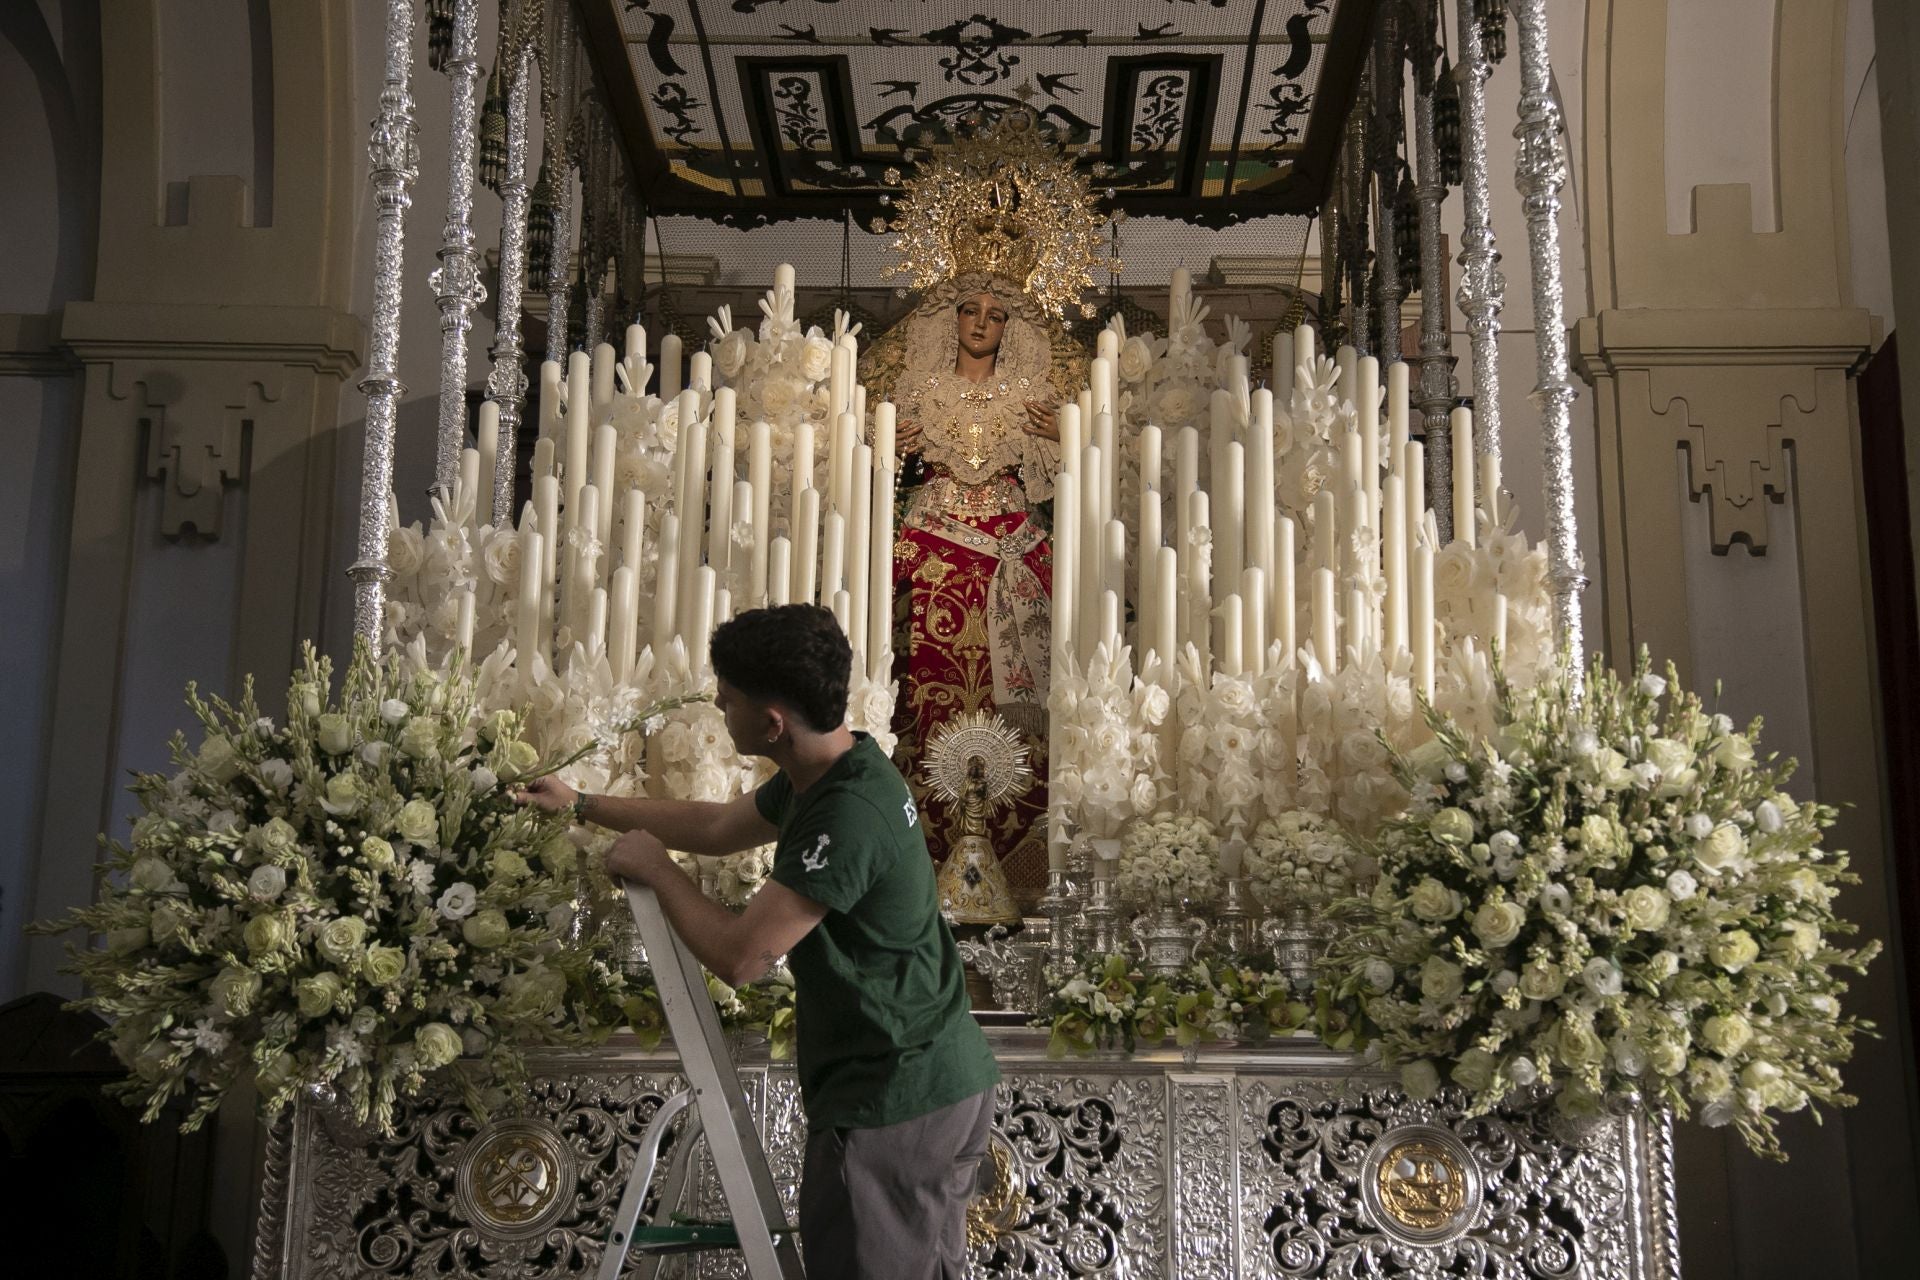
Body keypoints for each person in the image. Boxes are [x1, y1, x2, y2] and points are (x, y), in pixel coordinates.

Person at [518, 603, 999, 1279]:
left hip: (897, 1095)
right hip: (920, 1085)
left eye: (729, 697)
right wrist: (582, 804)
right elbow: (716, 827)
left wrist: (656, 868)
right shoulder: (834, 769)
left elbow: (744, 957)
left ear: (772, 723)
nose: (717, 702)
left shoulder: (847, 814)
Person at [884, 275, 1062, 891]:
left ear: (1011, 329)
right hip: (931, 555)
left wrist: (1066, 437)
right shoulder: (917, 391)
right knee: (923, 687)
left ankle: (1016, 849)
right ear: (951, 321)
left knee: (1009, 701)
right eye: (969, 310)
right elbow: (887, 469)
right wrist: (886, 443)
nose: (981, 322)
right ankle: (923, 853)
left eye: (995, 313)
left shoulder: (1031, 396)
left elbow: (1066, 475)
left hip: (1011, 556)